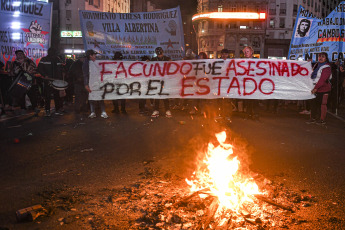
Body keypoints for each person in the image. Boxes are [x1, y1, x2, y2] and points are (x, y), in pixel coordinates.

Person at [9, 50, 40, 116]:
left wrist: (28, 71)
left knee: (32, 95)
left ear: (23, 54)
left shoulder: (29, 61)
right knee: (21, 95)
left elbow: (35, 70)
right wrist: (15, 72)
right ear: (16, 55)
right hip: (19, 82)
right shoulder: (14, 63)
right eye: (18, 54)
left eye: (21, 54)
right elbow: (10, 73)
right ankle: (23, 108)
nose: (20, 55)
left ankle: (35, 107)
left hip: (29, 81)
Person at [38, 48, 65, 117]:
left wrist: (61, 80)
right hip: (48, 81)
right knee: (47, 96)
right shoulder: (44, 59)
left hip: (56, 81)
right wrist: (45, 75)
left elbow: (61, 70)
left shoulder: (58, 59)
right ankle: (47, 110)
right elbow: (40, 69)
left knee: (57, 96)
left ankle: (57, 109)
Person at [307, 52, 332, 125]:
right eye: (319, 56)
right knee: (313, 104)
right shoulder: (316, 65)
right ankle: (313, 118)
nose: (320, 58)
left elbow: (323, 79)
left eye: (323, 57)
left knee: (322, 105)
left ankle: (322, 120)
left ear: (326, 58)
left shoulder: (326, 67)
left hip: (323, 89)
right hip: (314, 88)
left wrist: (316, 88)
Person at [83, 49, 108, 119]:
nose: (95, 56)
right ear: (90, 56)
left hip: (99, 82)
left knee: (100, 97)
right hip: (91, 83)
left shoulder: (97, 62)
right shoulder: (86, 64)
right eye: (94, 55)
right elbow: (85, 75)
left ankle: (103, 112)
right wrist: (86, 84)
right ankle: (92, 112)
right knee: (91, 97)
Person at [151, 47, 172, 118]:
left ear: (162, 53)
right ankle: (156, 110)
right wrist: (147, 62)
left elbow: (173, 65)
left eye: (161, 54)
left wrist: (171, 62)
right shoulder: (153, 59)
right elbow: (148, 66)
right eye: (158, 54)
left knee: (165, 95)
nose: (160, 55)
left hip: (165, 80)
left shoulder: (166, 58)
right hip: (156, 81)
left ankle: (167, 110)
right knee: (157, 95)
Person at [68, 53, 88, 120]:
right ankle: (77, 109)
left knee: (85, 96)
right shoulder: (75, 64)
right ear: (80, 58)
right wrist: (77, 78)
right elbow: (70, 73)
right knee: (78, 97)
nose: (84, 59)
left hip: (85, 83)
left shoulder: (86, 64)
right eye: (83, 58)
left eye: (84, 58)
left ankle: (84, 108)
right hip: (78, 83)